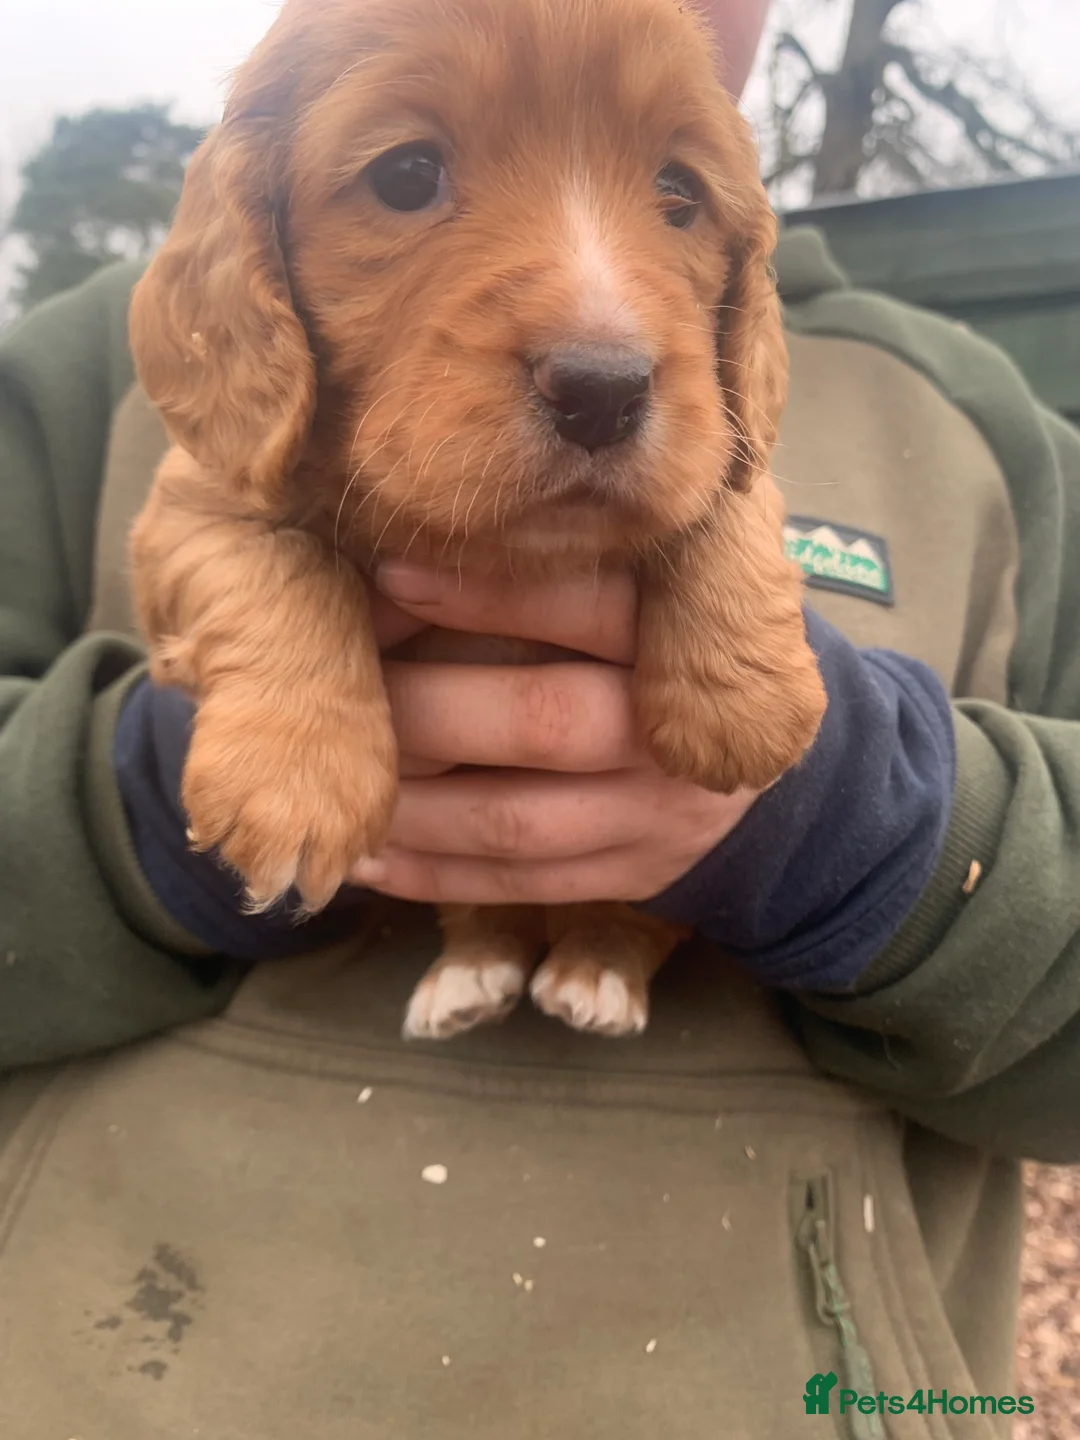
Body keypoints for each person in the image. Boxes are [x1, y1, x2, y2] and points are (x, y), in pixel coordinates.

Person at [0, 1, 1077, 1435]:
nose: (600, 327)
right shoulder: (70, 390)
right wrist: (134, 813)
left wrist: (880, 843)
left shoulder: (975, 427)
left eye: (675, 193)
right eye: (404, 176)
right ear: (255, 223)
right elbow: (220, 520)